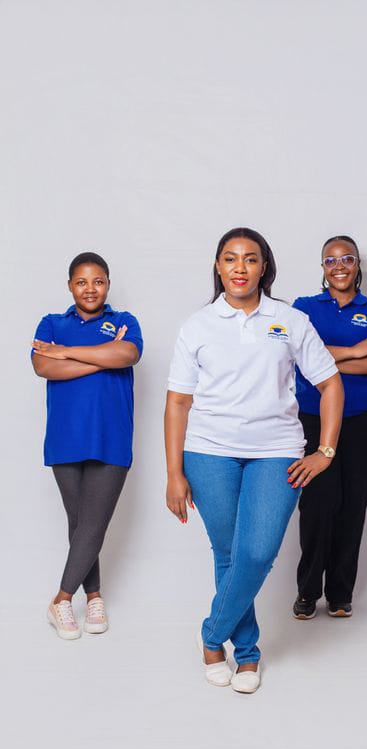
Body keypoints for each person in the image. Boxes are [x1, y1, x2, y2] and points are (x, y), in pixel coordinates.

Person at [164, 227, 343, 693]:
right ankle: (246, 654)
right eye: (230, 258)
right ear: (218, 266)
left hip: (276, 451)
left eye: (250, 258)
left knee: (257, 552)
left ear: (264, 267)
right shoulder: (197, 325)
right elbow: (178, 402)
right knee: (229, 553)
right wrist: (174, 473)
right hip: (208, 452)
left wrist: (324, 451)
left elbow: (330, 383)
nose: (240, 268)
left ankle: (211, 635)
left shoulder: (290, 320)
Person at [32, 252, 143, 640]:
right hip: (65, 438)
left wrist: (65, 351)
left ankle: (61, 599)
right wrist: (103, 357)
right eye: (82, 282)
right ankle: (93, 596)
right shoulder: (52, 322)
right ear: (70, 286)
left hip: (112, 437)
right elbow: (43, 366)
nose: (90, 289)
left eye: (98, 281)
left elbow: (128, 353)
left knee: (94, 522)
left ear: (107, 284)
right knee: (80, 524)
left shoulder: (125, 321)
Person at [292, 235, 367, 620]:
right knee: (318, 503)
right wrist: (353, 351)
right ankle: (307, 591)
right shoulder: (303, 308)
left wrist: (322, 356)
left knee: (352, 504)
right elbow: (298, 357)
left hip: (364, 419)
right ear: (322, 267)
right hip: (312, 417)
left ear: (357, 265)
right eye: (331, 260)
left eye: (347, 259)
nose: (339, 266)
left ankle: (340, 593)